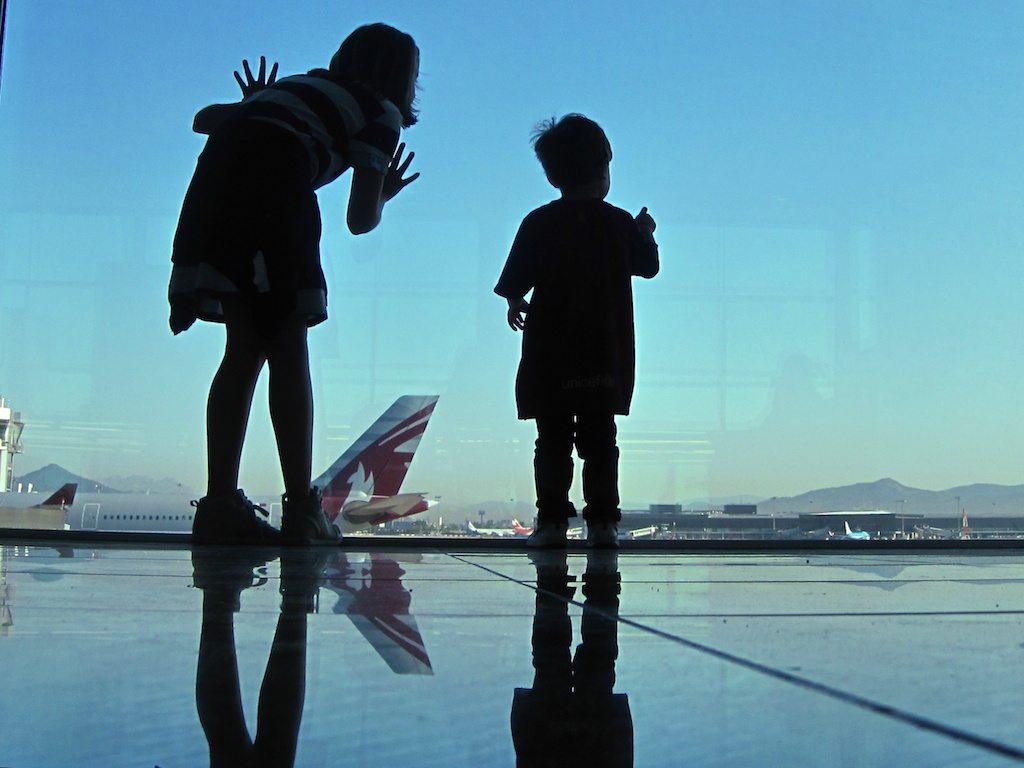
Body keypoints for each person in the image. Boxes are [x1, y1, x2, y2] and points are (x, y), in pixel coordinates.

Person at [169, 24, 420, 545]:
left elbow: (204, 121)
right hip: (273, 203)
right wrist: (385, 195)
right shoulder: (380, 113)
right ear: (401, 78)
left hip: (211, 202)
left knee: (240, 352)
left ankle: (218, 505)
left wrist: (259, 104)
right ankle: (302, 510)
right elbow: (359, 218)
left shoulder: (301, 86)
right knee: (288, 350)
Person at [494, 114, 659, 549]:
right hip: (603, 352)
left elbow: (515, 280)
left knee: (551, 441)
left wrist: (515, 302)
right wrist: (646, 232)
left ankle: (551, 523)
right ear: (604, 169)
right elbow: (648, 266)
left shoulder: (539, 222)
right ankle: (603, 523)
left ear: (551, 174)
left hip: (551, 352)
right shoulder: (620, 223)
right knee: (600, 440)